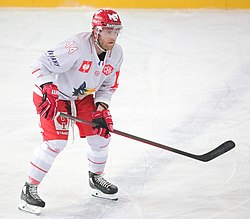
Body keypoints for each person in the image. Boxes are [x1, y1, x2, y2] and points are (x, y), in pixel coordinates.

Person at [18, 9, 123, 215]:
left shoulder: (117, 53)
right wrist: (48, 86)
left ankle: (96, 178)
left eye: (116, 31)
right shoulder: (75, 46)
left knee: (101, 136)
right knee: (55, 143)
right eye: (108, 31)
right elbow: (39, 65)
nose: (112, 37)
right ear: (96, 32)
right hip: (52, 95)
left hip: (82, 96)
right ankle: (28, 189)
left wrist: (102, 108)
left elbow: (108, 85)